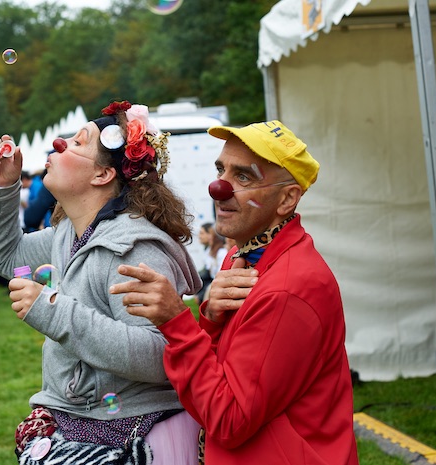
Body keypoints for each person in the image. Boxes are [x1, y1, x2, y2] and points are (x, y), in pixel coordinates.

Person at [111, 120, 359, 465]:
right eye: (221, 170)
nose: (219, 187)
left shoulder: (288, 288)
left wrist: (177, 323)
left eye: (244, 177)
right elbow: (220, 378)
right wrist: (212, 320)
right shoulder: (243, 257)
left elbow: (228, 419)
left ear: (287, 199)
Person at [0, 100, 202, 464]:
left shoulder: (133, 250)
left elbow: (158, 356)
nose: (59, 144)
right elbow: (8, 256)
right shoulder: (69, 233)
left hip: (129, 436)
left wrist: (54, 312)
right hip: (81, 418)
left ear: (102, 175)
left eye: (77, 142)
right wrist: (3, 187)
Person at [195, 222, 227, 305]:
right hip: (211, 280)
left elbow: (219, 274)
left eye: (210, 235)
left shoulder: (221, 252)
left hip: (217, 282)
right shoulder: (209, 251)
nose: (209, 237)